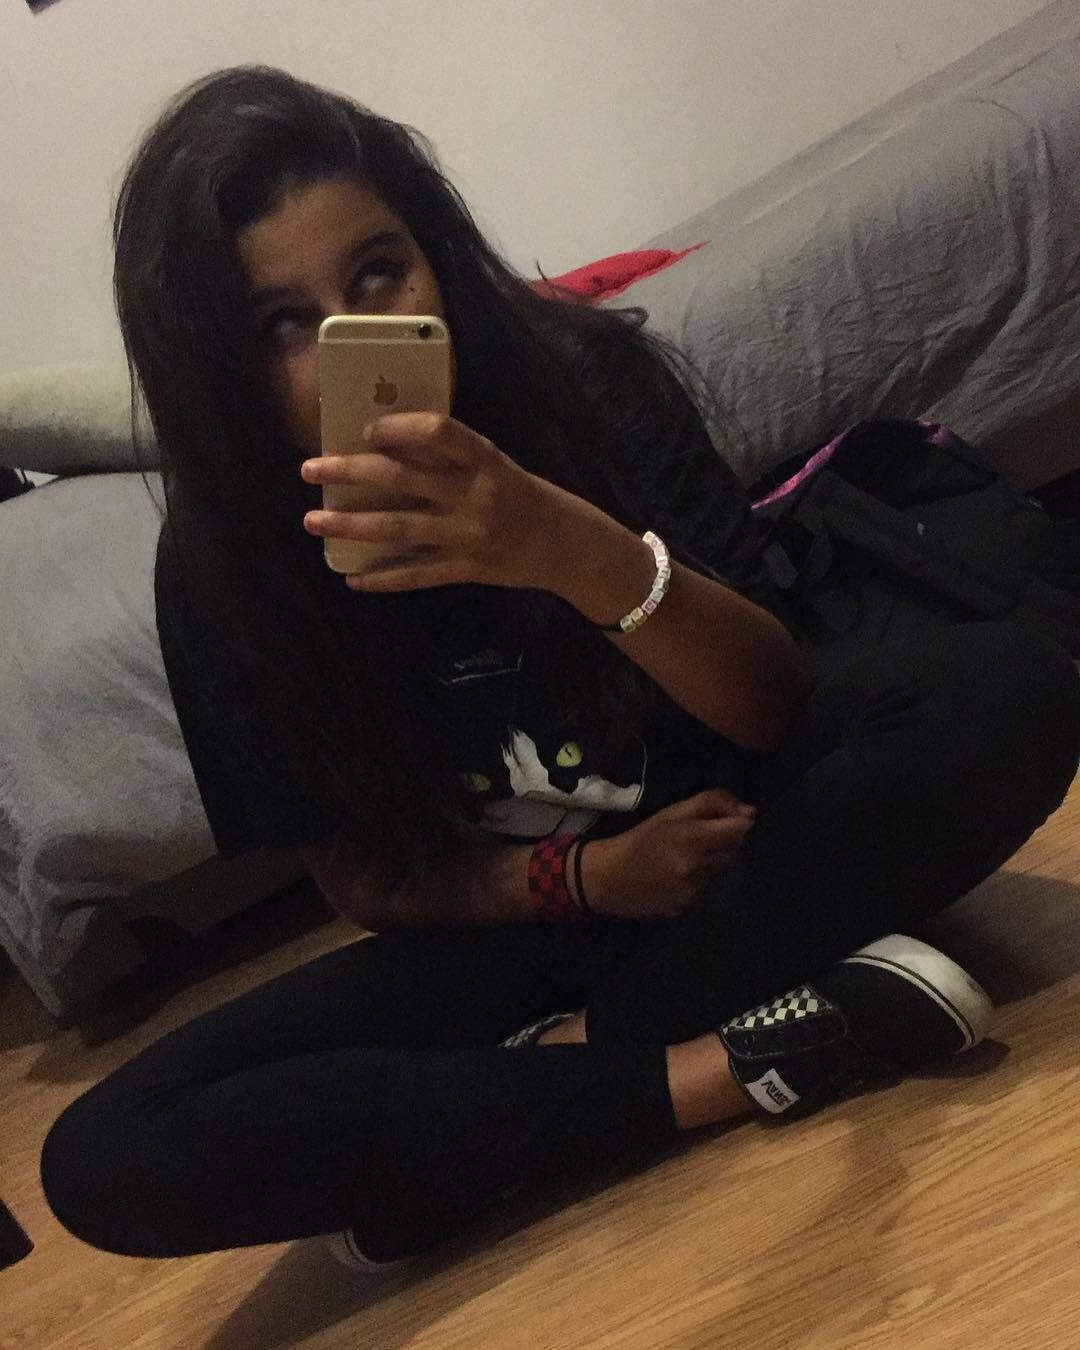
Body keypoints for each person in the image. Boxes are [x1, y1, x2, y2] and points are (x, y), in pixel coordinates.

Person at [40, 66, 1080, 1269]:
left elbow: (774, 703)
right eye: (280, 324)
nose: (348, 345)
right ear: (211, 365)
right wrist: (580, 880)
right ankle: (722, 1065)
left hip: (751, 842)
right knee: (105, 1156)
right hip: (524, 928)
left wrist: (570, 551)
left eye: (377, 274)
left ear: (431, 255)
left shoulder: (583, 385)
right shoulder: (220, 572)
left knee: (1009, 691)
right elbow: (367, 881)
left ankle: (523, 1106)